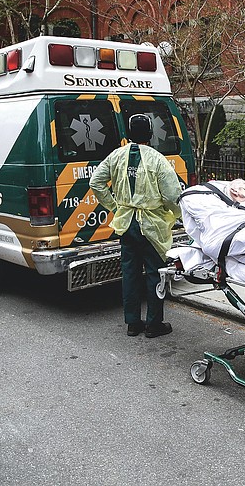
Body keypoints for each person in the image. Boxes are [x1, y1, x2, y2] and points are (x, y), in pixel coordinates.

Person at [90, 114, 182, 338]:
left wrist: (115, 206)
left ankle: (132, 323)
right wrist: (176, 215)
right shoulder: (158, 160)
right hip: (151, 226)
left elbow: (96, 183)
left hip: (126, 223)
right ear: (150, 134)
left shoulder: (116, 156)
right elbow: (173, 194)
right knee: (155, 273)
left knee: (130, 273)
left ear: (128, 133)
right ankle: (154, 324)